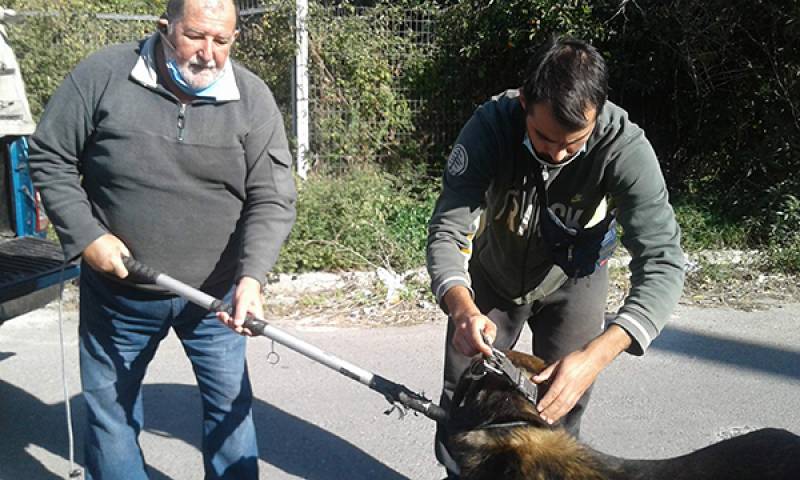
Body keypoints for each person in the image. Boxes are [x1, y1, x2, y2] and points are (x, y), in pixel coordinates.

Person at [28, 0, 296, 478]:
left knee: (230, 418)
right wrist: (87, 235)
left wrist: (252, 279)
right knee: (111, 417)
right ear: (165, 27)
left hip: (217, 298)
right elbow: (50, 156)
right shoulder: (102, 75)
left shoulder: (252, 98)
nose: (208, 53)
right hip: (121, 293)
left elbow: (272, 198)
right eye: (196, 36)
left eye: (222, 40)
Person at [426, 36, 685, 478]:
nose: (558, 154)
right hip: (494, 275)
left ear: (598, 114)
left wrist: (598, 355)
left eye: (574, 143)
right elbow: (448, 230)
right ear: (524, 103)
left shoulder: (625, 149)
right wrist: (463, 309)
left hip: (576, 279)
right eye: (544, 138)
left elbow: (663, 261)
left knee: (560, 406)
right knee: (464, 401)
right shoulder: (491, 125)